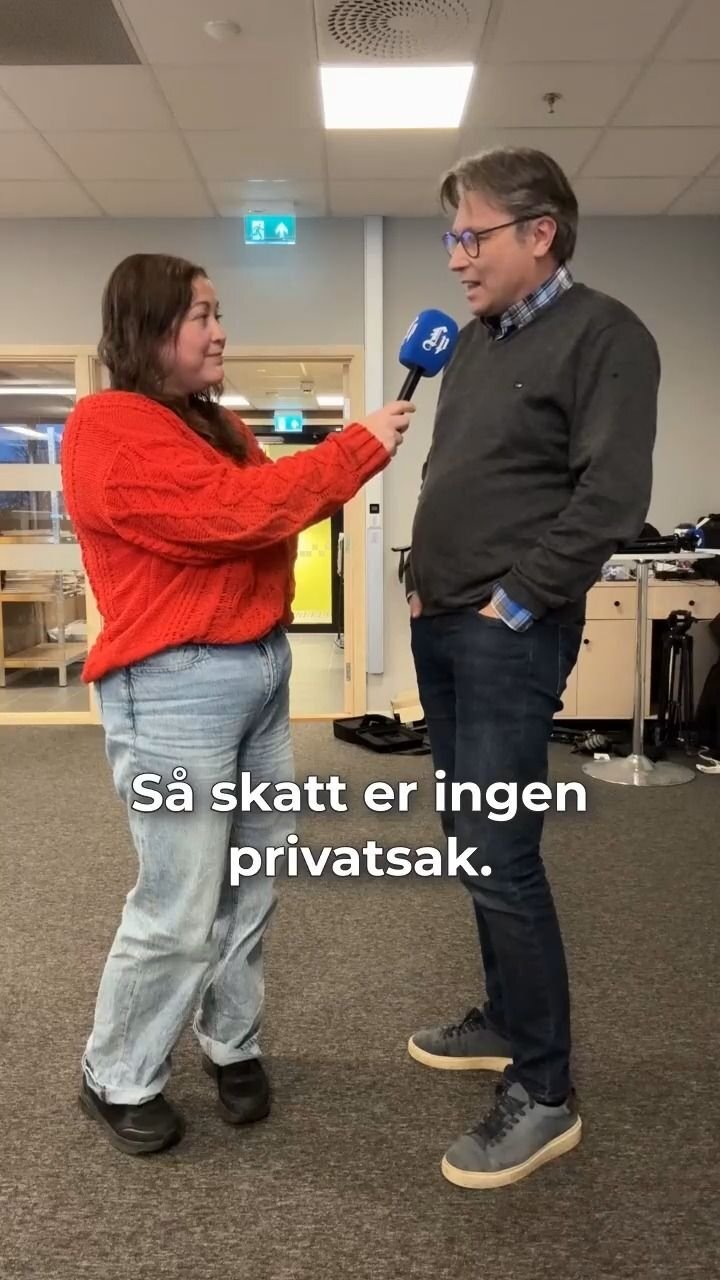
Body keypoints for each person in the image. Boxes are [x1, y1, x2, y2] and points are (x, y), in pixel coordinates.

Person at [62, 252, 413, 1156]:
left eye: (219, 314)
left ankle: (230, 1038)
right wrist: (355, 449)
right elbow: (234, 515)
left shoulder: (216, 423)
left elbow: (268, 508)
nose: (221, 333)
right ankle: (116, 1072)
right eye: (202, 316)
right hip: (172, 686)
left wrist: (313, 483)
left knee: (252, 876)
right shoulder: (107, 426)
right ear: (149, 329)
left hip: (258, 671)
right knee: (180, 898)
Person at [404, 148, 659, 1189]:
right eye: (453, 238)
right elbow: (457, 472)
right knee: (468, 836)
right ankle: (507, 1019)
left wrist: (514, 602)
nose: (456, 257)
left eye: (472, 236)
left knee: (502, 852)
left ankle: (546, 1090)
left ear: (539, 232)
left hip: (508, 632)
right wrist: (422, 578)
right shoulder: (471, 344)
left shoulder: (606, 334)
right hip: (444, 624)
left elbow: (610, 496)